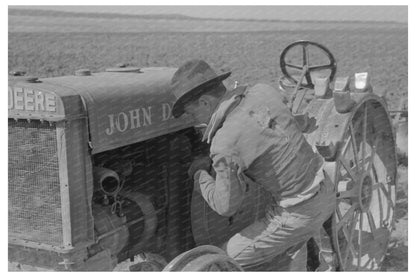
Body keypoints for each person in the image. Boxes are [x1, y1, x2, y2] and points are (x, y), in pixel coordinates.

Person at [170, 59, 336, 271]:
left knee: (220, 260)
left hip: (299, 214)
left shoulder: (225, 142)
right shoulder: (263, 91)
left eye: (192, 113)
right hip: (326, 189)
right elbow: (294, 122)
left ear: (205, 102)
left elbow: (226, 206)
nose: (193, 121)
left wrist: (199, 173)